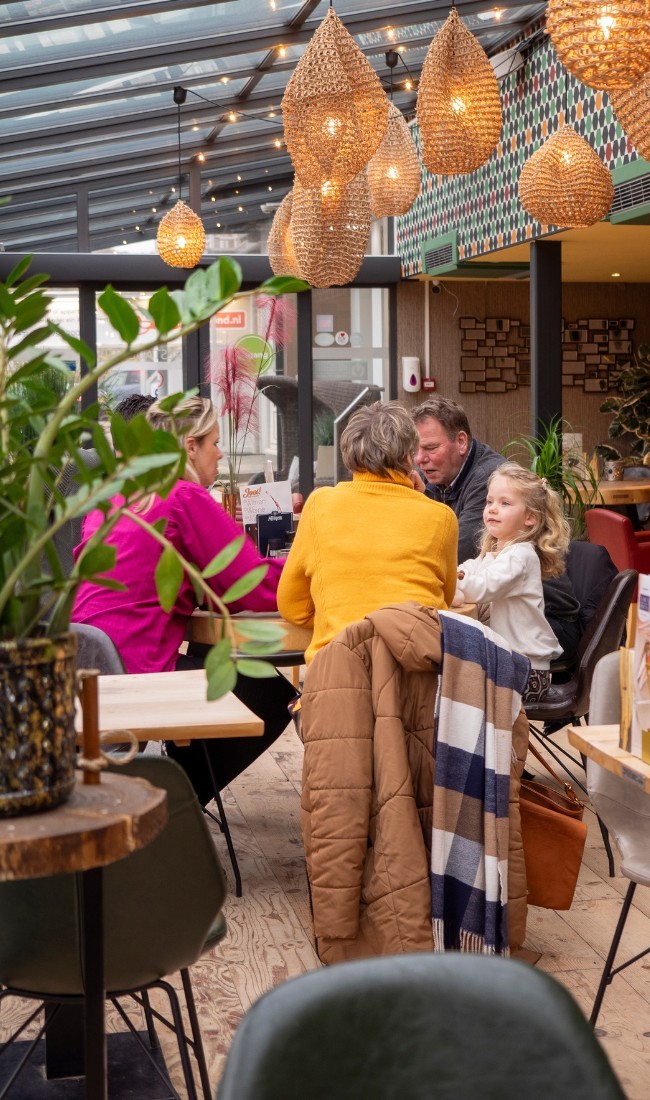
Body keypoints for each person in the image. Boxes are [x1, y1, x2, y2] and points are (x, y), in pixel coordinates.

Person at [71, 395, 296, 802]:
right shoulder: (181, 496)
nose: (220, 451)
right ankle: (174, 804)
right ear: (189, 447)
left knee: (214, 663)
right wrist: (311, 571)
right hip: (138, 670)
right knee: (270, 697)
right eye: (213, 441)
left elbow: (190, 579)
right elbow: (251, 584)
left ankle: (169, 792)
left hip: (87, 668)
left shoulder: (112, 498)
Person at [277, 401, 458, 664]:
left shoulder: (320, 504)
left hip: (341, 669)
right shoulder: (441, 517)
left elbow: (291, 605)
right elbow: (443, 598)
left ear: (349, 452)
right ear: (408, 457)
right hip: (418, 674)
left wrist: (341, 615)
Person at [411, 396, 581, 662]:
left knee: (448, 650)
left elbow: (455, 551)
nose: (420, 459)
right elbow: (462, 561)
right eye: (416, 450)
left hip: (546, 627)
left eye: (430, 448)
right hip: (505, 617)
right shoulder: (435, 478)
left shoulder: (492, 480)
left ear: (461, 442)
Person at [453, 462, 570, 703]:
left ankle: (483, 740)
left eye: (505, 503)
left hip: (528, 672)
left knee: (455, 684)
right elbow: (469, 569)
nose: (493, 509)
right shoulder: (497, 551)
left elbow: (483, 587)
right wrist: (451, 574)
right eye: (489, 502)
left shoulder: (521, 556)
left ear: (530, 518)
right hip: (512, 664)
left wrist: (447, 585)